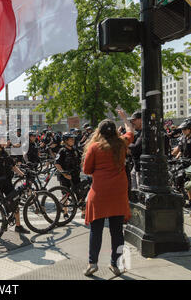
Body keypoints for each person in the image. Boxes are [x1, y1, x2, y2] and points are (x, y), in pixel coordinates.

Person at [82, 109, 134, 277]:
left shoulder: (94, 147)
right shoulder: (121, 143)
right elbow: (130, 132)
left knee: (96, 230)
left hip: (100, 193)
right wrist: (125, 118)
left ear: (99, 132)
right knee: (117, 231)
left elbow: (86, 169)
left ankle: (92, 263)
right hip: (118, 193)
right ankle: (115, 264)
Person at [0, 133, 30, 235]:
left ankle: (18, 226)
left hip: (7, 182)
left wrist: (23, 175)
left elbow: (13, 166)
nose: (5, 141)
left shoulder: (5, 153)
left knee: (14, 202)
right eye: (3, 139)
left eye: (5, 139)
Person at [55, 132, 82, 219]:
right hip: (65, 177)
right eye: (71, 139)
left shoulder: (75, 150)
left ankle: (84, 211)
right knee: (65, 194)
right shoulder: (62, 151)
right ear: (66, 141)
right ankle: (65, 212)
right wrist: (64, 174)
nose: (73, 141)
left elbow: (81, 160)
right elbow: (57, 164)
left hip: (75, 175)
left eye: (73, 139)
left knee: (80, 193)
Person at [176, 119, 191, 208]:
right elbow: (181, 151)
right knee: (182, 180)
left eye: (184, 129)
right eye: (182, 129)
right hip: (185, 163)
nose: (183, 131)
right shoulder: (183, 138)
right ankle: (190, 201)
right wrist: (175, 158)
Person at [128, 111, 142, 190]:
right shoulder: (138, 132)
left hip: (142, 166)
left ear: (141, 120)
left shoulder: (144, 132)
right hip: (136, 164)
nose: (132, 122)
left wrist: (126, 145)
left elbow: (136, 147)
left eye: (134, 120)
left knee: (140, 187)